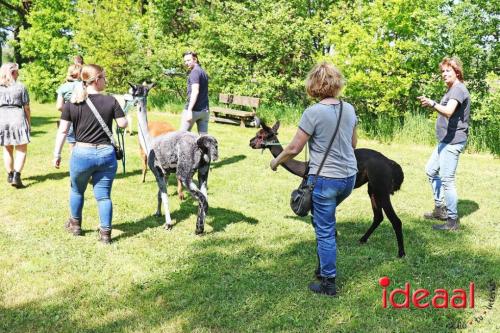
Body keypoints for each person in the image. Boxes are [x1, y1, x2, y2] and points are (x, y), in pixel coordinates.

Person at [270, 62, 358, 296]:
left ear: (314, 86)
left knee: (325, 230)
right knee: (323, 221)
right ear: (336, 84)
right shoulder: (349, 109)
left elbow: (294, 148)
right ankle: (323, 264)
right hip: (349, 178)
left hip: (326, 180)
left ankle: (327, 281)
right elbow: (353, 144)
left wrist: (275, 161)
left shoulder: (313, 112)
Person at [53, 64, 128, 244]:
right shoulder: (111, 101)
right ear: (96, 80)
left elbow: (63, 131)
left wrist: (57, 154)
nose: (105, 81)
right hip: (106, 154)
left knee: (77, 190)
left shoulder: (72, 103)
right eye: (103, 78)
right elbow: (123, 124)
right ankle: (105, 234)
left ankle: (75, 225)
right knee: (103, 196)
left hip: (81, 153)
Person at [418, 56, 470, 231]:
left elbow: (448, 111)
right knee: (431, 170)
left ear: (457, 72)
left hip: (453, 142)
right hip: (445, 141)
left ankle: (453, 221)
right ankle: (440, 209)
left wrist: (432, 103)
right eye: (442, 71)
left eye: (448, 70)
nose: (444, 74)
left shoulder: (458, 90)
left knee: (447, 180)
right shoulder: (451, 90)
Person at [0, 62, 31, 188]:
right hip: (17, 117)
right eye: (17, 71)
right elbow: (27, 107)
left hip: (2, 117)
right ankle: (17, 176)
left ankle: (10, 174)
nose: (18, 73)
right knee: (21, 148)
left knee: (7, 147)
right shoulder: (20, 87)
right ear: (13, 72)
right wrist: (29, 122)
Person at [180, 51, 210, 134]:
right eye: (185, 61)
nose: (186, 63)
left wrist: (189, 110)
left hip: (194, 111)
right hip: (204, 111)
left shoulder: (194, 72)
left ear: (195, 59)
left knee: (181, 137)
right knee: (204, 140)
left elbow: (195, 91)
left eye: (189, 60)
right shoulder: (203, 72)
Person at [56, 64, 82, 151]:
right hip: (84, 118)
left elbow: (59, 106)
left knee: (72, 147)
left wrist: (70, 111)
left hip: (69, 119)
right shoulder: (83, 85)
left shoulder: (62, 87)